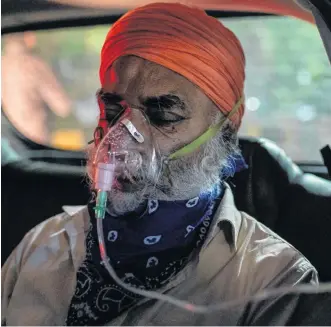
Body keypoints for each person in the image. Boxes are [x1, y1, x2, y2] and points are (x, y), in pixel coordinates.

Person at [1, 3, 320, 326]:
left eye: (163, 114)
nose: (120, 139)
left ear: (227, 124)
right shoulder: (43, 244)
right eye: (113, 110)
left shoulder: (275, 283)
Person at [1, 32, 72, 144]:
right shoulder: (33, 65)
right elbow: (62, 107)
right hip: (32, 138)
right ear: (25, 36)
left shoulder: (3, 63)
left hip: (6, 141)